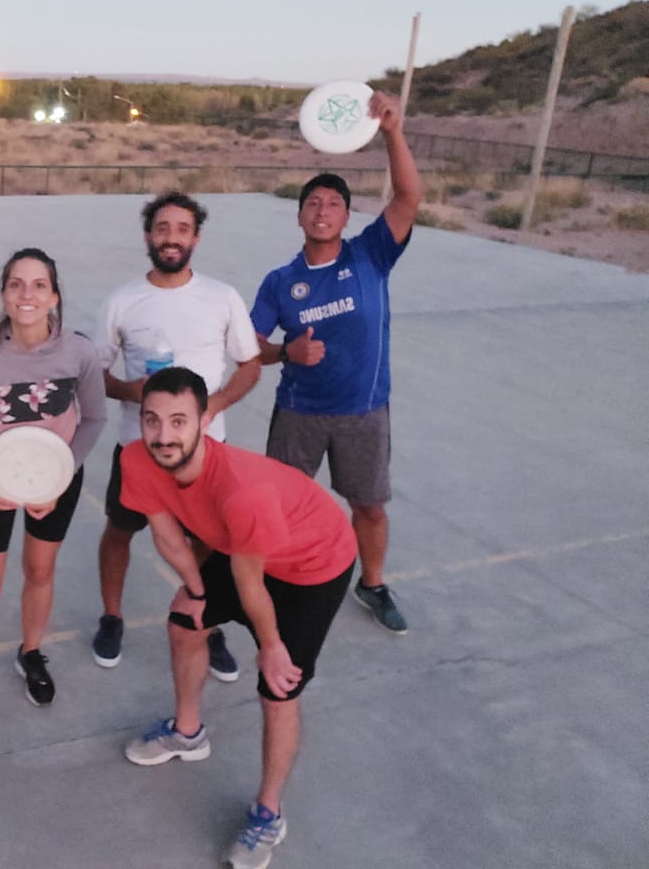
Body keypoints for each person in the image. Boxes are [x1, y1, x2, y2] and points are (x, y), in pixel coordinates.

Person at [119, 367, 355, 869]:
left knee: (280, 684)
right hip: (247, 547)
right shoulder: (136, 460)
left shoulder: (242, 491)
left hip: (314, 561)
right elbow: (166, 535)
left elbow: (252, 584)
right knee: (185, 618)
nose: (164, 435)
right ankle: (187, 732)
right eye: (153, 420)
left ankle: (268, 813)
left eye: (179, 421)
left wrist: (269, 646)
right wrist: (198, 592)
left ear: (205, 420)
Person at [250, 91, 422, 634]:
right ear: (300, 214)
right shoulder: (280, 281)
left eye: (333, 204)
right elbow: (250, 346)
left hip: (364, 411)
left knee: (368, 506)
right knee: (282, 506)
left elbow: (409, 197)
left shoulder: (369, 254)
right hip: (299, 413)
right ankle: (278, 583)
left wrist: (393, 130)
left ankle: (371, 584)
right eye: (313, 203)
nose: (322, 211)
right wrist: (286, 353)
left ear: (347, 216)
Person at [90, 191, 261, 676]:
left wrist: (217, 405)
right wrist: (129, 389)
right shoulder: (122, 301)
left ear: (196, 239)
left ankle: (202, 617)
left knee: (208, 540)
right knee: (119, 531)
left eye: (182, 229)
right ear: (148, 236)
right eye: (162, 228)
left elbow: (250, 365)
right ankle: (111, 616)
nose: (171, 238)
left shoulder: (222, 297)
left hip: (206, 454)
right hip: (137, 450)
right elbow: (95, 375)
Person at [0, 248, 106, 749]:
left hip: (53, 483)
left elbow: (95, 417)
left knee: (39, 571)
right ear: (3, 295)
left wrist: (63, 476)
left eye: (39, 285)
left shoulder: (78, 353)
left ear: (55, 296)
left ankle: (31, 651)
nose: (28, 294)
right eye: (17, 284)